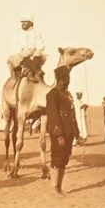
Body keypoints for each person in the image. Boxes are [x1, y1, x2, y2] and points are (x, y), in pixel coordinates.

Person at [46, 66, 81, 197]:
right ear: (60, 79)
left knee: (64, 159)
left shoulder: (67, 95)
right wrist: (59, 134)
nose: (68, 81)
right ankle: (54, 187)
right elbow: (53, 115)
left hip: (69, 132)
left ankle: (59, 187)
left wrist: (77, 134)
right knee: (57, 159)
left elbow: (73, 116)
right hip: (59, 133)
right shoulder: (52, 94)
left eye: (68, 79)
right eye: (66, 79)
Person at [7, 15, 46, 82]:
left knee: (38, 55)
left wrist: (37, 50)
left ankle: (30, 74)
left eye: (25, 21)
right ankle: (37, 71)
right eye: (22, 22)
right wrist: (21, 50)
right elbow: (13, 44)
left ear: (30, 23)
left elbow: (40, 43)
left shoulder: (36, 32)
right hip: (22, 52)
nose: (23, 23)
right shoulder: (18, 32)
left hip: (33, 51)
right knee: (24, 57)